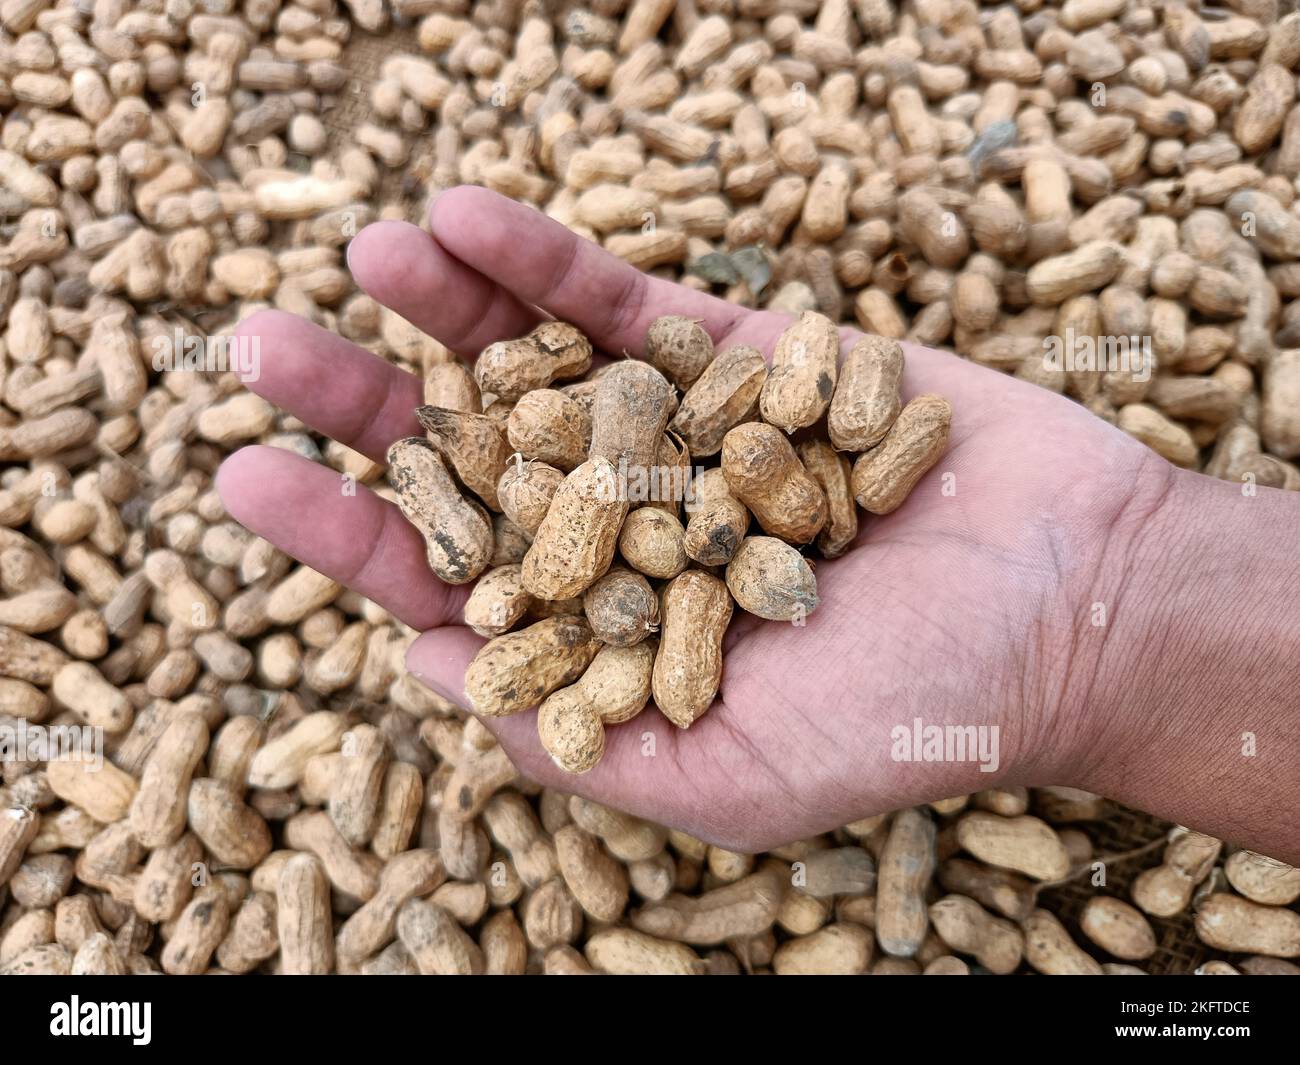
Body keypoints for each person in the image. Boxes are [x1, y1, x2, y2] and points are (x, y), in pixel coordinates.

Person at [217, 186, 1300, 862]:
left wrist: (1112, 588)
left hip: (680, 523)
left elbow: (743, 461)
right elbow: (590, 507)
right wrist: (1110, 604)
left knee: (676, 485)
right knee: (604, 490)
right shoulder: (591, 490)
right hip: (621, 533)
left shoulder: (758, 473)